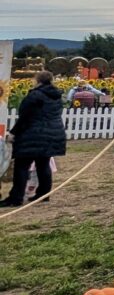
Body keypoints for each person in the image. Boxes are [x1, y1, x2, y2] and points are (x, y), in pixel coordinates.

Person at [1, 72, 67, 207]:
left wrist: (13, 132)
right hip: (52, 134)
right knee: (43, 165)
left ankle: (16, 198)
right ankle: (43, 194)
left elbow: (25, 117)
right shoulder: (56, 97)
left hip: (33, 134)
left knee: (22, 166)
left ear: (38, 81)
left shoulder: (34, 96)